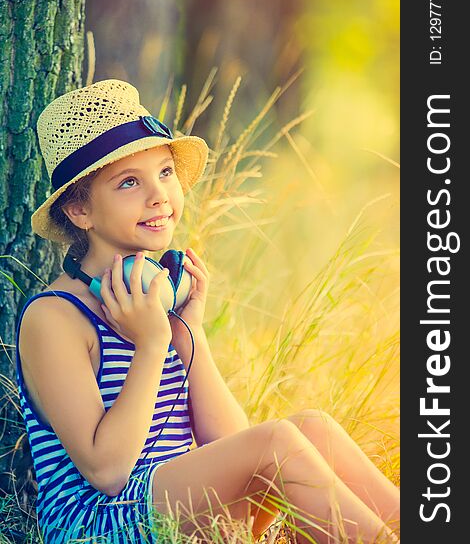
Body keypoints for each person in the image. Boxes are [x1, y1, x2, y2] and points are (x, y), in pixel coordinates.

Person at [16, 79, 400, 543]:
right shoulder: (54, 319)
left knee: (310, 429)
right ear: (80, 211)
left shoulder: (160, 298)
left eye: (164, 172)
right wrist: (152, 343)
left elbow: (231, 446)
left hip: (175, 507)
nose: (159, 195)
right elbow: (107, 471)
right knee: (276, 442)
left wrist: (188, 333)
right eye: (129, 182)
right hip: (99, 525)